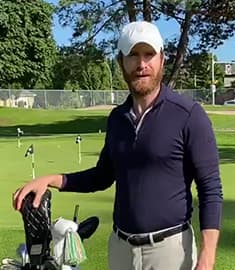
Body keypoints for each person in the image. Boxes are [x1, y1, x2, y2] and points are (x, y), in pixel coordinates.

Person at [13, 21, 223, 270]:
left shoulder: (188, 115)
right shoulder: (117, 119)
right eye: (133, 55)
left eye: (149, 54)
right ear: (121, 62)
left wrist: (207, 257)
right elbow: (101, 177)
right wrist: (49, 179)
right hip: (121, 249)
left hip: (170, 251)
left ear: (162, 60)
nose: (142, 64)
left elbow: (210, 189)